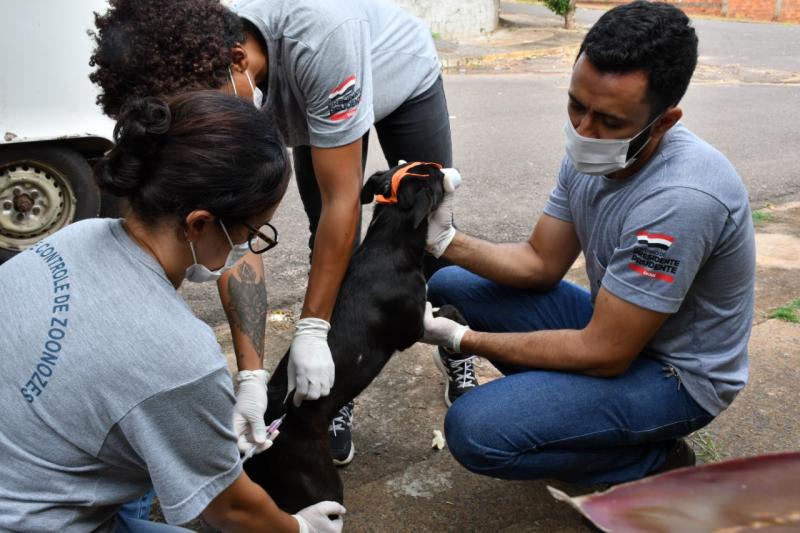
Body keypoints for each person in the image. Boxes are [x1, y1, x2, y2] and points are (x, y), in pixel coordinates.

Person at [89, 0, 474, 467]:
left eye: (204, 111)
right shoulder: (213, 91)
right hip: (314, 99)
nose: (203, 128)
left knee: (423, 228)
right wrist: (251, 376)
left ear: (237, 62)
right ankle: (336, 388)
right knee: (332, 248)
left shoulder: (319, 36)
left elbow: (343, 200)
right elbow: (234, 233)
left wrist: (312, 329)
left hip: (397, 75)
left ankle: (449, 331)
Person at [419, 1, 756, 487]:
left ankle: (653, 461)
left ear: (664, 120)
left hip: (675, 377)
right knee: (455, 283)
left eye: (610, 122)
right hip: (618, 330)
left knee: (476, 430)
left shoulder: (682, 199)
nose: (583, 132)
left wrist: (461, 339)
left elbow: (605, 352)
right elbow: (540, 262)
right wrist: (446, 241)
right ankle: (578, 416)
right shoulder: (594, 151)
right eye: (577, 104)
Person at [0, 91, 344, 532]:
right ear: (198, 223)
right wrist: (299, 528)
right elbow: (230, 509)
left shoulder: (77, 237)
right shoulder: (179, 354)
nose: (248, 248)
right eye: (252, 232)